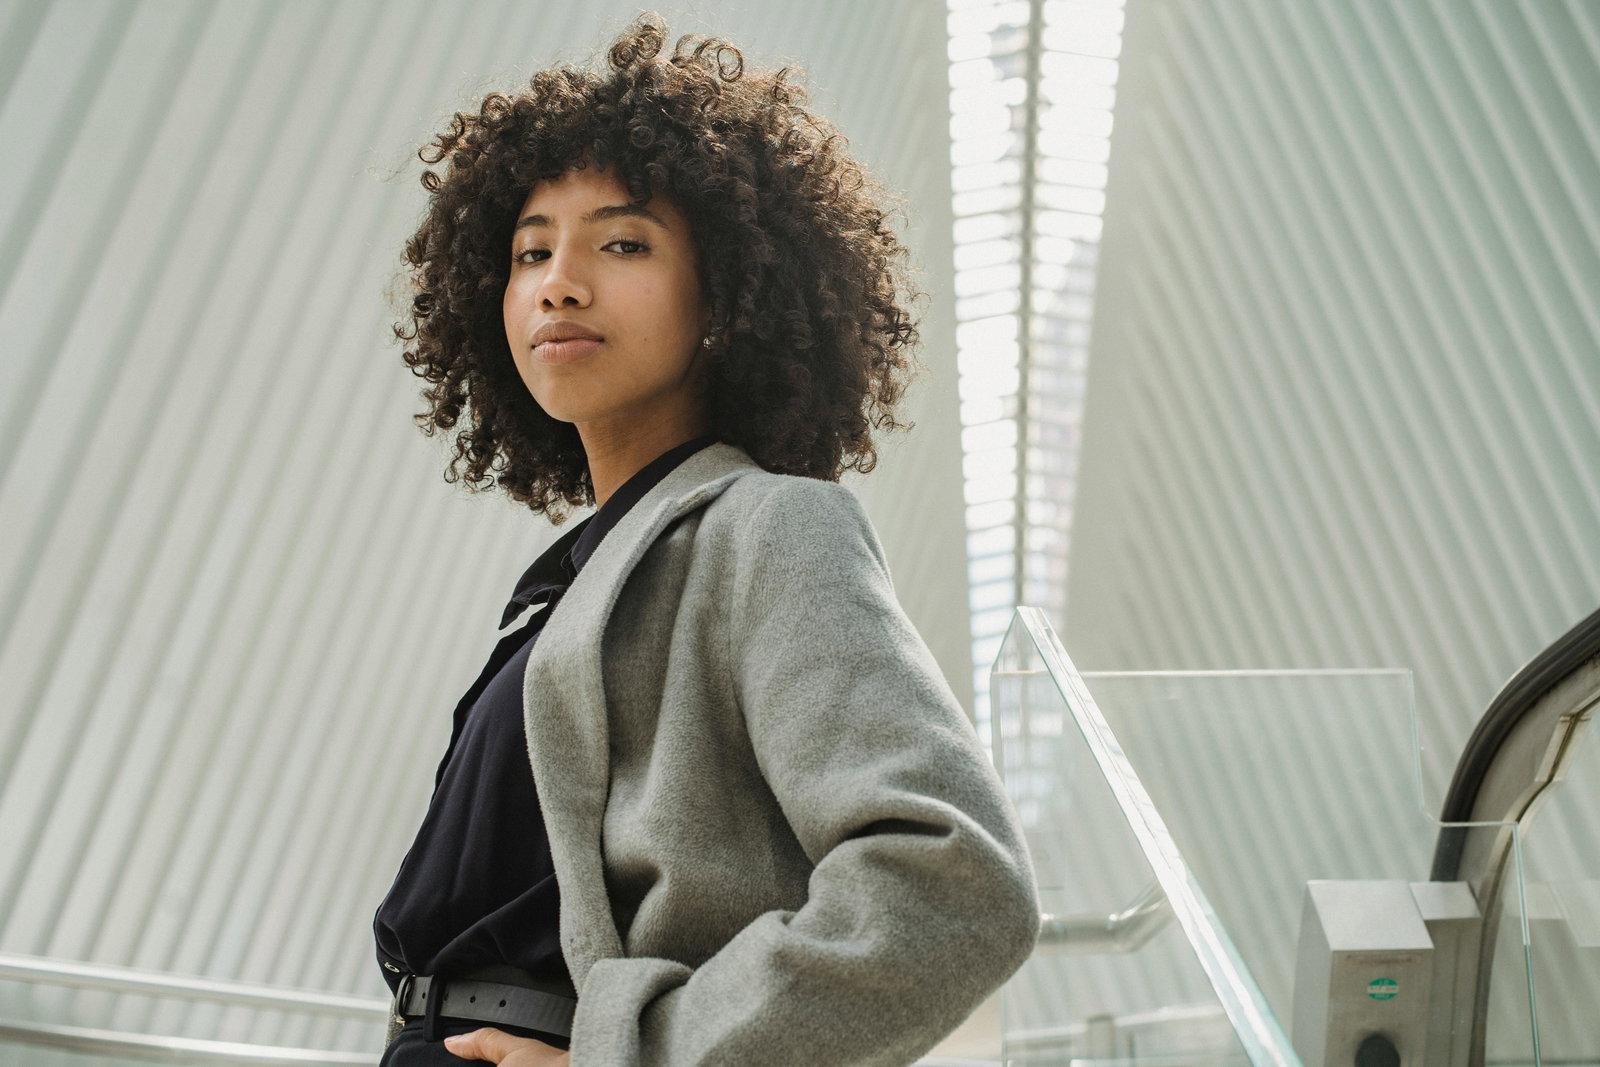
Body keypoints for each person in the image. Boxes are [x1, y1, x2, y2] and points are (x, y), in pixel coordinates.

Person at [373, 13, 1040, 1066]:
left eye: (622, 242)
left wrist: (641, 1055)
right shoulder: (567, 580)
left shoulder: (769, 526)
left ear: (726, 295)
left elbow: (950, 880)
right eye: (529, 250)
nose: (559, 279)